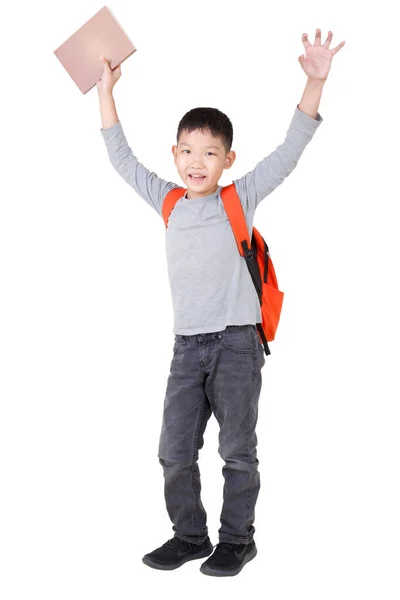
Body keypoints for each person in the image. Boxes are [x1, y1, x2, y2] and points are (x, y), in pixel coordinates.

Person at [97, 28, 345, 577]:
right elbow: (120, 155)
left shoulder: (241, 198)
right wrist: (106, 90)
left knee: (237, 450)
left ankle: (237, 540)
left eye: (210, 153)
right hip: (187, 347)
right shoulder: (166, 200)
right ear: (175, 153)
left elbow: (289, 151)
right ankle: (189, 536)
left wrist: (315, 81)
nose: (196, 161)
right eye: (187, 150)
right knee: (173, 450)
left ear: (227, 159)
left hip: (236, 344)